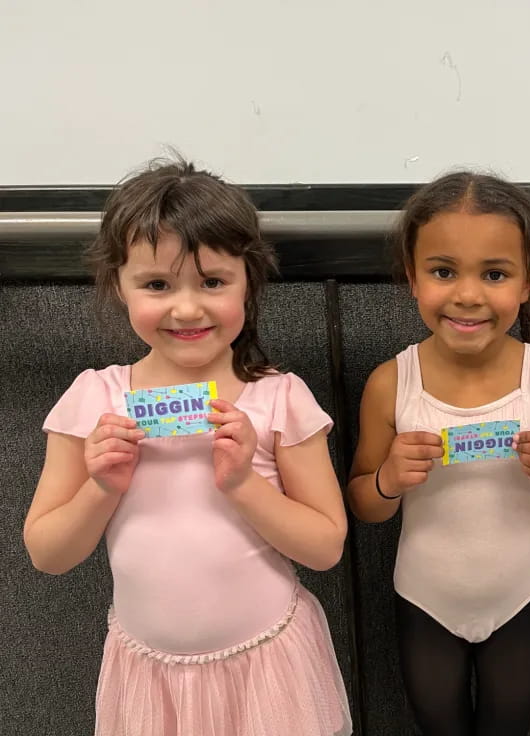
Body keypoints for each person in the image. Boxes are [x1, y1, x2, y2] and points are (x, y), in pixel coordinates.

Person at [23, 158, 352, 736]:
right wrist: (101, 487)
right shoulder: (94, 398)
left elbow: (325, 547)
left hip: (267, 667)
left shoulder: (279, 397)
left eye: (213, 282)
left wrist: (243, 484)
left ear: (247, 282)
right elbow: (48, 554)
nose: (186, 308)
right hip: (150, 679)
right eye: (156, 284)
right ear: (117, 286)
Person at [347, 171, 530, 736]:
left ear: (529, 281)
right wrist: (388, 479)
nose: (466, 294)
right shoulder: (391, 383)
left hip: (520, 598)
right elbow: (364, 503)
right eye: (443, 271)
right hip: (424, 600)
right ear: (412, 277)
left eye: (494, 273)